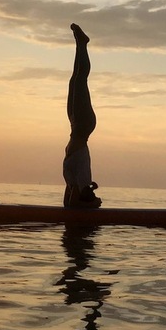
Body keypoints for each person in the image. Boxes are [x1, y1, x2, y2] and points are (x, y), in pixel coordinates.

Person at [63, 23, 102, 208]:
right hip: (83, 125)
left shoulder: (73, 181)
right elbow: (74, 203)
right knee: (80, 80)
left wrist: (83, 203)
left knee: (74, 80)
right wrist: (92, 203)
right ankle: (82, 44)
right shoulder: (83, 179)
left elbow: (69, 203)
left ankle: (81, 44)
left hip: (76, 126)